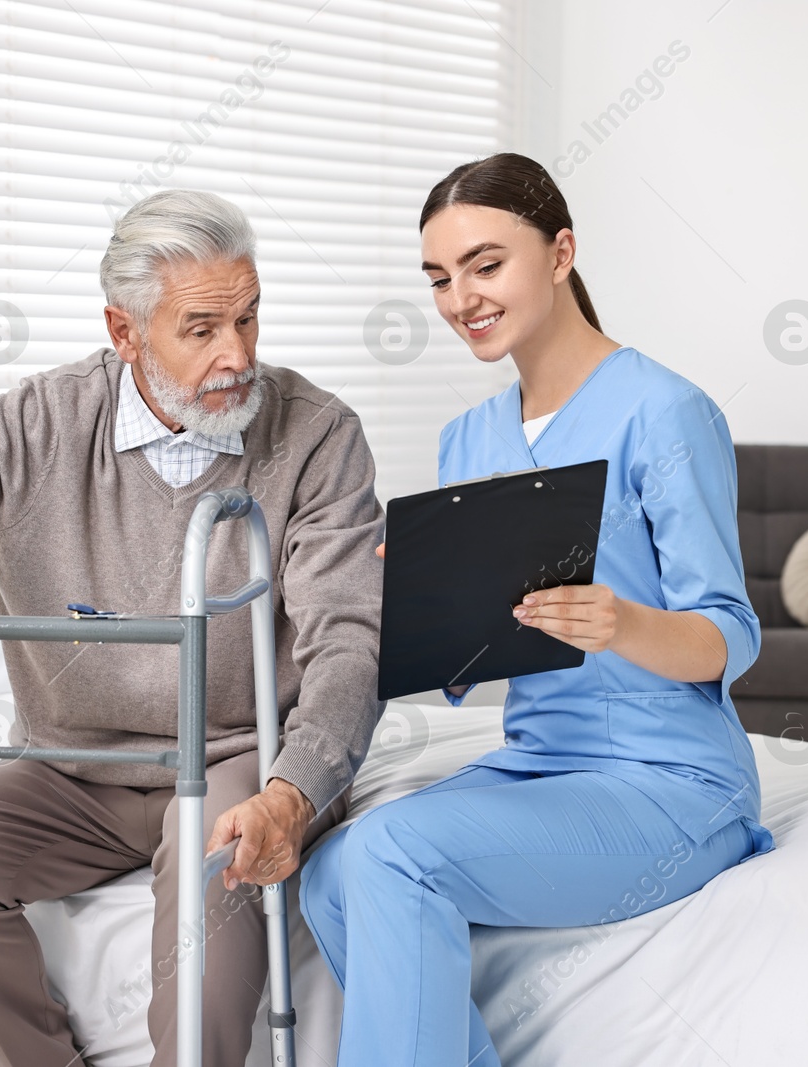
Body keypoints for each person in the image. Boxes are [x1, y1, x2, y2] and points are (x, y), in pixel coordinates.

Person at [0, 188, 385, 1066]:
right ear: (125, 332)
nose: (238, 355)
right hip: (75, 774)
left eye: (250, 319)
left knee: (212, 877)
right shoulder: (42, 422)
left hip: (238, 760)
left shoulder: (316, 435)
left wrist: (293, 792)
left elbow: (351, 644)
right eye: (201, 329)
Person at [297, 152, 775, 1066]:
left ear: (560, 253)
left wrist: (622, 622)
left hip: (671, 783)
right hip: (539, 763)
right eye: (439, 278)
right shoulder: (466, 439)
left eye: (486, 264)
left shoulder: (666, 411)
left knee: (391, 852)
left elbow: (731, 634)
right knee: (330, 873)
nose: (460, 297)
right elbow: (476, 664)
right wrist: (424, 606)